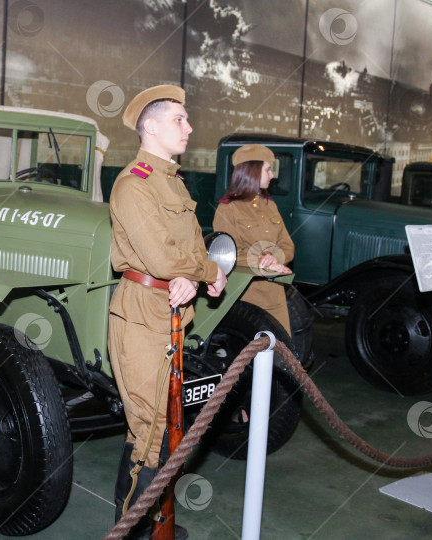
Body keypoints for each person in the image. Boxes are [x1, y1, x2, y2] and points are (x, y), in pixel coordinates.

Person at [108, 84, 227, 538]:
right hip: (142, 316)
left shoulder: (171, 181)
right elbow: (161, 258)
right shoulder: (133, 184)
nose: (189, 127)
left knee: (171, 428)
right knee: (150, 435)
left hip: (172, 314)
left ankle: (160, 524)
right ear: (151, 127)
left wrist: (193, 274)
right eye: (179, 119)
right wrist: (206, 271)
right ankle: (130, 532)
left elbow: (188, 245)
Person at [212, 144, 294, 333]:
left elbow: (287, 245)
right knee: (249, 355)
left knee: (282, 354)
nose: (272, 175)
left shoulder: (269, 205)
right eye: (268, 169)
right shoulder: (228, 209)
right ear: (253, 171)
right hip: (247, 298)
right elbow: (228, 254)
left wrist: (275, 257)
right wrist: (262, 262)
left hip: (276, 296)